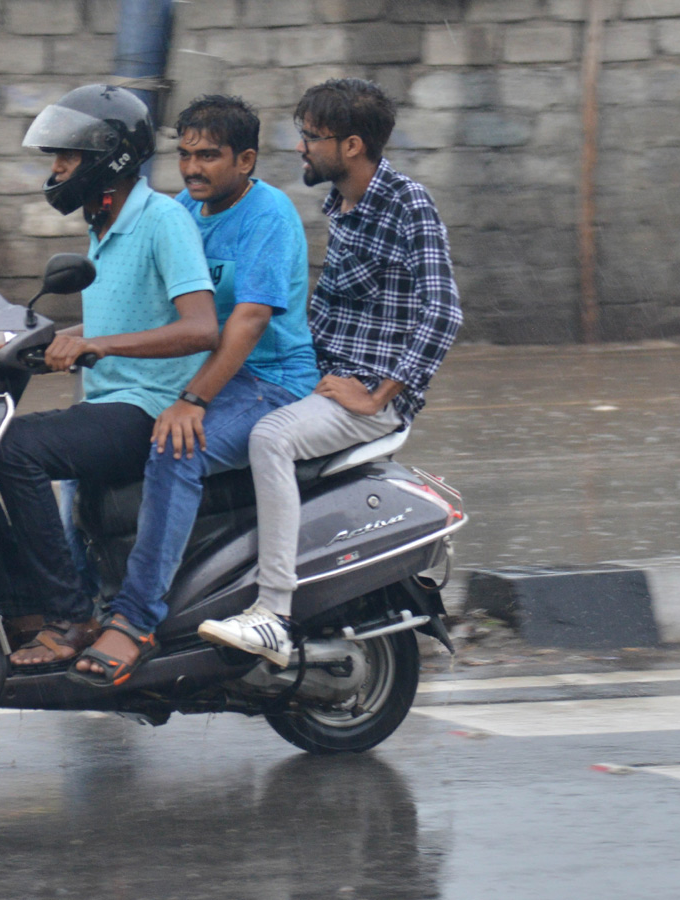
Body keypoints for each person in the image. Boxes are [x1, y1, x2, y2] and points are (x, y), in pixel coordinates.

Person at [198, 78, 463, 666]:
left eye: (311, 138)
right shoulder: (340, 205)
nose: (300, 149)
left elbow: (443, 312)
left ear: (351, 146)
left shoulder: (407, 203)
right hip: (321, 377)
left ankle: (273, 613)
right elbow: (325, 310)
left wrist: (377, 397)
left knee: (270, 438)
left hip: (364, 393)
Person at [68, 94, 318, 688]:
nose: (192, 169)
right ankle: (78, 608)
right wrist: (69, 341)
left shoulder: (269, 215)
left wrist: (194, 401)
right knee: (82, 449)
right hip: (205, 376)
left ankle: (138, 618)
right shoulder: (183, 211)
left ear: (246, 160)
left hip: (270, 381)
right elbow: (149, 309)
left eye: (208, 156)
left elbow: (249, 321)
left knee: (176, 448)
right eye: (184, 155)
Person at [0, 84, 218, 668]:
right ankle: (24, 608)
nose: (58, 169)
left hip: (149, 408)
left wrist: (97, 344)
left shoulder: (162, 220)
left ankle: (70, 617)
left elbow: (201, 328)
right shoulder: (102, 226)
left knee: (15, 449)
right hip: (110, 401)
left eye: (67, 157)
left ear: (109, 157)